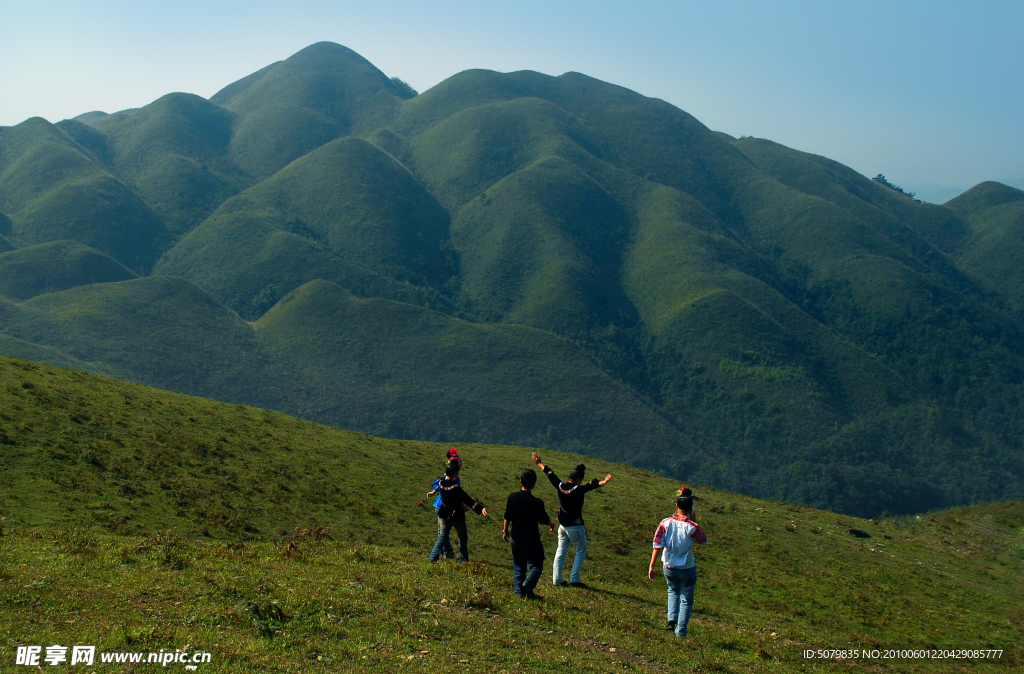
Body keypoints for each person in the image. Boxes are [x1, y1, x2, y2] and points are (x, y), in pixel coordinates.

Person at [531, 452, 611, 587]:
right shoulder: (578, 490)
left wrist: (539, 462)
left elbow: (550, 474)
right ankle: (574, 578)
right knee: (581, 551)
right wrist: (604, 481)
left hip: (562, 526)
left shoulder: (561, 486)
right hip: (575, 526)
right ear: (579, 479)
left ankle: (557, 579)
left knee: (560, 551)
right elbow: (591, 485)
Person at [648, 492, 708, 638]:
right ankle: (681, 631)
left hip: (668, 565)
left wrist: (652, 566)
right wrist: (694, 520)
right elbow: (704, 540)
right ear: (690, 509)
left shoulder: (665, 523)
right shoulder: (692, 527)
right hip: (686, 566)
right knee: (686, 600)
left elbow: (657, 545)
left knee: (672, 590)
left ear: (676, 506)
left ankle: (671, 620)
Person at [502, 469, 554, 599]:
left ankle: (520, 593)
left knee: (519, 566)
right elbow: (543, 519)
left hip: (516, 537)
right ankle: (528, 584)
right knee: (536, 564)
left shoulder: (512, 497)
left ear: (520, 481)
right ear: (534, 484)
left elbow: (507, 516)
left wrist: (505, 531)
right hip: (531, 540)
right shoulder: (537, 502)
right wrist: (550, 524)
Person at [428, 461, 488, 563]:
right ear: (455, 474)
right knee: (462, 537)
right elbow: (468, 500)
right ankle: (463, 560)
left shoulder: (441, 484)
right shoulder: (456, 488)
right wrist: (481, 509)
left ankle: (433, 557)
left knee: (442, 536)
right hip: (457, 515)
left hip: (444, 513)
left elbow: (441, 480)